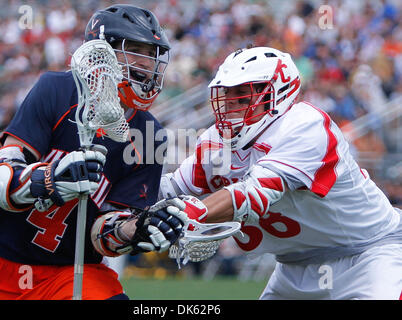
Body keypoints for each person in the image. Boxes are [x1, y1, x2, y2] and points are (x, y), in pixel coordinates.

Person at [0, 4, 188, 300]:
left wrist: (137, 229)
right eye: (135, 49)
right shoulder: (55, 90)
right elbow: (1, 180)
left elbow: (103, 236)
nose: (147, 63)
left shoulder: (151, 135)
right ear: (102, 52)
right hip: (2, 264)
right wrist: (49, 180)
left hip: (73, 270)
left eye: (151, 54)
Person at [161, 46, 402, 300]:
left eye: (243, 96)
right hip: (293, 266)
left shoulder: (305, 124)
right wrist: (126, 218)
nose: (231, 106)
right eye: (227, 96)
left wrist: (186, 214)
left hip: (368, 255)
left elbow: (251, 193)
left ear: (279, 93)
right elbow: (169, 190)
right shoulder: (215, 142)